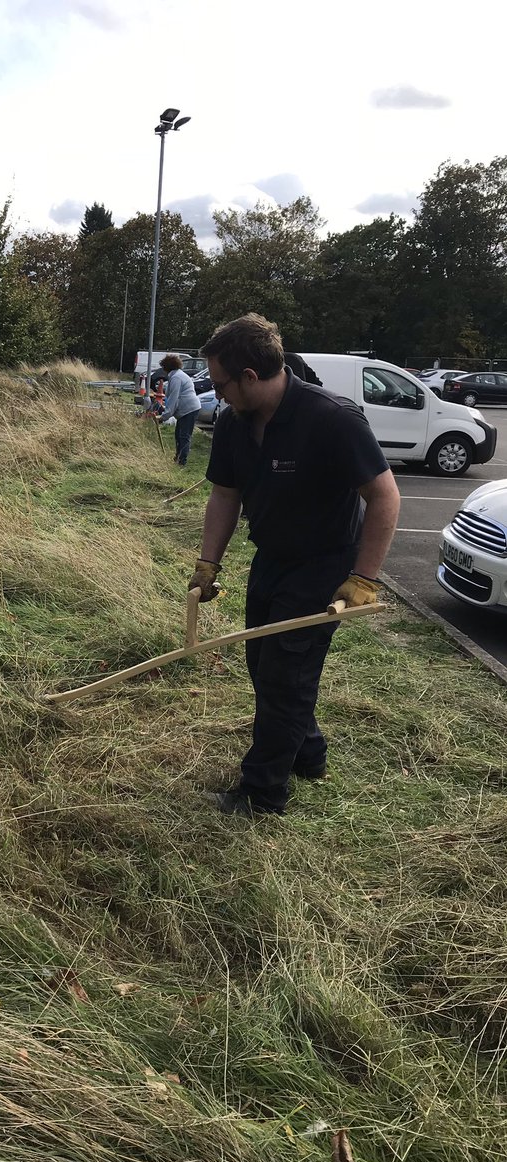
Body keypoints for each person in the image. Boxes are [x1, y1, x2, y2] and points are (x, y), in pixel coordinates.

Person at [189, 314, 401, 817]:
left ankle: (262, 794)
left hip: (323, 566)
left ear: (250, 376)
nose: (216, 395)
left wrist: (364, 579)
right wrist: (207, 564)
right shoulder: (234, 424)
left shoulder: (332, 418)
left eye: (221, 384)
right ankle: (308, 754)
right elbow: (225, 494)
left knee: (286, 674)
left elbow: (385, 497)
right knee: (265, 666)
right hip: (272, 561)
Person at [158, 354, 200, 466]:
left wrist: (164, 417)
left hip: (189, 409)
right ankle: (178, 458)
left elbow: (173, 398)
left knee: (184, 436)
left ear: (166, 367)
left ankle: (182, 462)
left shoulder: (176, 377)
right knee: (178, 435)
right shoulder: (177, 375)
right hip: (186, 410)